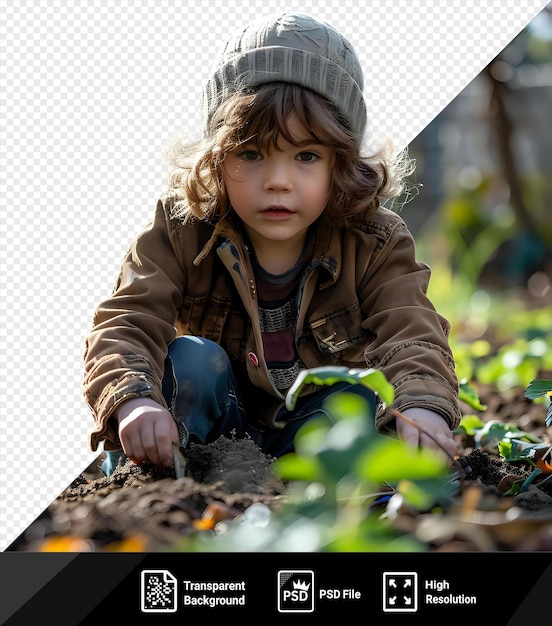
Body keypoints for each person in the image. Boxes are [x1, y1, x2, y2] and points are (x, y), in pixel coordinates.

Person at [82, 11, 461, 475]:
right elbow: (128, 319)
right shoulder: (182, 229)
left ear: (339, 163)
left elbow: (412, 332)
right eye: (251, 153)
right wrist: (133, 401)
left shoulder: (373, 241)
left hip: (311, 429)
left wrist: (423, 406)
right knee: (192, 363)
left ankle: (326, 486)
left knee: (361, 399)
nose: (278, 181)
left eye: (306, 156)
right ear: (216, 159)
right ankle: (160, 473)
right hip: (211, 431)